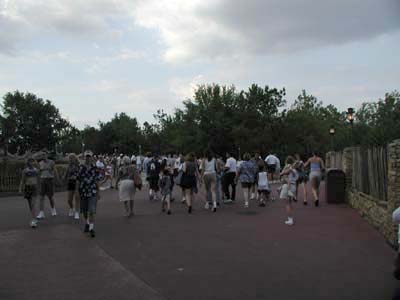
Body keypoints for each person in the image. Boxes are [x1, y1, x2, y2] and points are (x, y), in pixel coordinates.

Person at [77, 150, 100, 238]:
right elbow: (78, 180)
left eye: (89, 156)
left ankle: (91, 228)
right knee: (84, 211)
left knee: (91, 210)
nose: (88, 158)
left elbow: (97, 180)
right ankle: (87, 222)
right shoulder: (81, 167)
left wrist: (98, 192)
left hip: (92, 191)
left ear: (92, 157)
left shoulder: (95, 168)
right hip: (83, 191)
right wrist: (77, 191)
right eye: (86, 156)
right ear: (84, 157)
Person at [19, 158, 39, 228]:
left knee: (33, 204)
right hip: (27, 188)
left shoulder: (36, 170)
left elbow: (38, 179)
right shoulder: (25, 171)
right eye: (30, 161)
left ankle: (33, 220)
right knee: (30, 205)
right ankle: (34, 216)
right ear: (28, 162)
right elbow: (22, 180)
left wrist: (39, 187)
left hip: (34, 188)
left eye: (33, 161)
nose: (32, 163)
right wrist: (20, 189)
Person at [37, 152, 58, 219]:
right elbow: (39, 172)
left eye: (44, 154)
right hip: (43, 180)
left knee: (50, 197)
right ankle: (41, 212)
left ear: (47, 155)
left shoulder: (51, 162)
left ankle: (53, 209)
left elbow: (54, 171)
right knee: (41, 197)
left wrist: (56, 179)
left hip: (49, 180)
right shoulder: (40, 163)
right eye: (42, 155)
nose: (43, 156)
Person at [280, 156, 299, 226]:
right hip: (293, 186)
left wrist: (281, 173)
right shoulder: (295, 170)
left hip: (288, 186)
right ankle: (290, 218)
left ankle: (290, 219)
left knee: (287, 203)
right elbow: (296, 178)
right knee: (290, 203)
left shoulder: (287, 167)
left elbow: (283, 175)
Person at [65, 153, 80, 220]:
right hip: (70, 182)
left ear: (75, 158)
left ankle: (77, 212)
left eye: (72, 158)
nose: (71, 159)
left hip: (77, 182)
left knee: (77, 197)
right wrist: (63, 180)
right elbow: (66, 174)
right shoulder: (69, 166)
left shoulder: (79, 166)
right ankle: (71, 208)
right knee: (69, 200)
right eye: (70, 158)